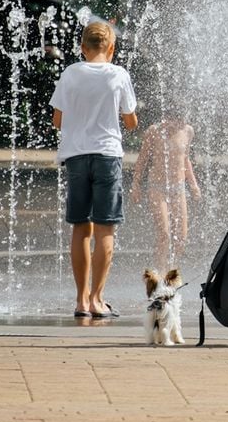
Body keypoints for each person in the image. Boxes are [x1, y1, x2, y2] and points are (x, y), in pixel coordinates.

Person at [50, 21, 138, 319]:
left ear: (82, 48)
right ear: (111, 48)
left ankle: (80, 300)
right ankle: (98, 299)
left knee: (80, 227)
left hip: (76, 157)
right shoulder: (118, 75)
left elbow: (57, 120)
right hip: (106, 156)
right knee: (105, 227)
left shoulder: (70, 73)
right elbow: (130, 121)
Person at [130, 108, 201, 271]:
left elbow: (185, 158)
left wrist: (193, 184)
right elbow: (142, 159)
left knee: (182, 237)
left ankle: (172, 272)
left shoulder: (188, 131)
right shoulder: (154, 131)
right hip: (157, 187)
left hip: (178, 188)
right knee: (164, 235)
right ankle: (160, 275)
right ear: (167, 119)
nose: (178, 127)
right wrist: (135, 184)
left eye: (181, 123)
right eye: (175, 123)